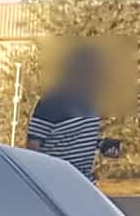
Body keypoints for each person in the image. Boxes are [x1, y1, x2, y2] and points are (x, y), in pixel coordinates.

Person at [25, 44, 108, 175]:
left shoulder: (90, 103)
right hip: (56, 181)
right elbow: (33, 146)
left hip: (84, 182)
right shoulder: (51, 102)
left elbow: (76, 137)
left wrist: (101, 144)